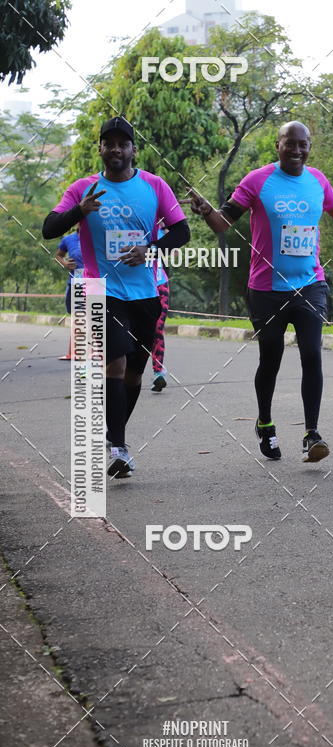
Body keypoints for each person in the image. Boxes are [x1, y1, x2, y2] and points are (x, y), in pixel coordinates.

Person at [184, 120, 333, 462]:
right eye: (291, 143)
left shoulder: (317, 180)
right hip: (266, 289)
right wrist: (205, 212)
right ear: (278, 144)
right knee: (270, 360)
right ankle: (266, 423)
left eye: (304, 144)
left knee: (312, 356)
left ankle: (311, 434)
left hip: (309, 284)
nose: (298, 150)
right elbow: (223, 222)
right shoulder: (258, 180)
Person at [42, 116, 190, 477]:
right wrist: (80, 211)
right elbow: (49, 229)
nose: (115, 149)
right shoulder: (83, 189)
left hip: (145, 292)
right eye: (109, 143)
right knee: (116, 364)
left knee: (135, 375)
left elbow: (182, 232)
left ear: (132, 150)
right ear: (101, 149)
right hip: (100, 290)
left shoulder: (154, 186)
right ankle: (120, 448)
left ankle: (114, 434)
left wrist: (150, 250)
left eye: (122, 144)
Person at [55, 225, 84, 360]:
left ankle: (96, 352)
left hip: (96, 280)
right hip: (76, 280)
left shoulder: (98, 236)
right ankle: (73, 352)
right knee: (78, 316)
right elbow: (59, 255)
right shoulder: (68, 239)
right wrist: (65, 263)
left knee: (95, 317)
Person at [150, 226, 169, 392]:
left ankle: (158, 372)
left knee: (157, 328)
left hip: (159, 284)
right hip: (130, 287)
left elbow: (173, 253)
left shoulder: (161, 231)